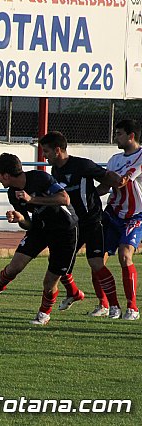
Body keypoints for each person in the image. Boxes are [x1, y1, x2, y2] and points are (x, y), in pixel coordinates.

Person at [0, 153, 78, 325]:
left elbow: (64, 198)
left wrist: (32, 199)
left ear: (6, 175)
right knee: (14, 266)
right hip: (40, 228)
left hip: (65, 231)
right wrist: (20, 219)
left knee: (49, 281)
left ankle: (44, 314)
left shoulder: (40, 178)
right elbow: (28, 225)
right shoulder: (12, 193)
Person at [40, 131, 122, 317]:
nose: (44, 155)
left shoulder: (82, 165)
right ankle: (74, 292)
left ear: (58, 150)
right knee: (59, 261)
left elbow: (108, 178)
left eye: (46, 151)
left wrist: (99, 191)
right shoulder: (56, 170)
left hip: (92, 222)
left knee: (96, 263)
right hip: (73, 225)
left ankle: (114, 306)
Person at [96, 119, 142, 321]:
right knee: (96, 259)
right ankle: (106, 305)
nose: (116, 137)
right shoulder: (114, 159)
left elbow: (123, 181)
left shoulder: (141, 156)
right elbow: (106, 187)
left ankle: (132, 308)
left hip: (135, 215)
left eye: (119, 134)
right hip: (113, 213)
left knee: (125, 255)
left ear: (131, 136)